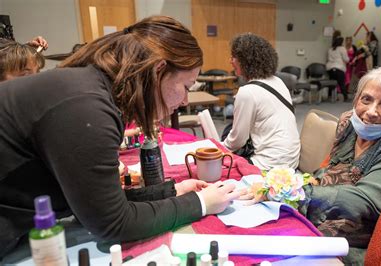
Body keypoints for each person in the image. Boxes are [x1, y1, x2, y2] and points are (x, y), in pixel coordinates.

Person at [0, 16, 239, 257]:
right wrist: (201, 204)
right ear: (158, 71)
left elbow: (97, 199)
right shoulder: (87, 106)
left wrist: (169, 192)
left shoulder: (89, 89)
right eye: (186, 87)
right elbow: (112, 223)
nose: (185, 101)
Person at [241, 64, 381, 263]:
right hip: (329, 213)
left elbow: (363, 201)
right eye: (366, 99)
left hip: (361, 234)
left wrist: (290, 192)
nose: (371, 112)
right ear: (356, 99)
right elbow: (331, 170)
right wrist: (297, 184)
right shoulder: (350, 124)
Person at [222, 33, 300, 170]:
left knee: (219, 167)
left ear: (246, 61)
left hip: (268, 165)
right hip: (291, 161)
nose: (230, 61)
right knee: (229, 129)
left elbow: (237, 141)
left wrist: (216, 147)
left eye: (234, 57)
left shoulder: (247, 92)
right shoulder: (278, 82)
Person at [326, 36, 350, 101]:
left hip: (330, 68)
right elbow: (346, 59)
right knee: (341, 83)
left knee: (332, 83)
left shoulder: (330, 49)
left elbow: (328, 59)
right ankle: (345, 98)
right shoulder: (342, 48)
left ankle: (331, 97)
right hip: (339, 68)